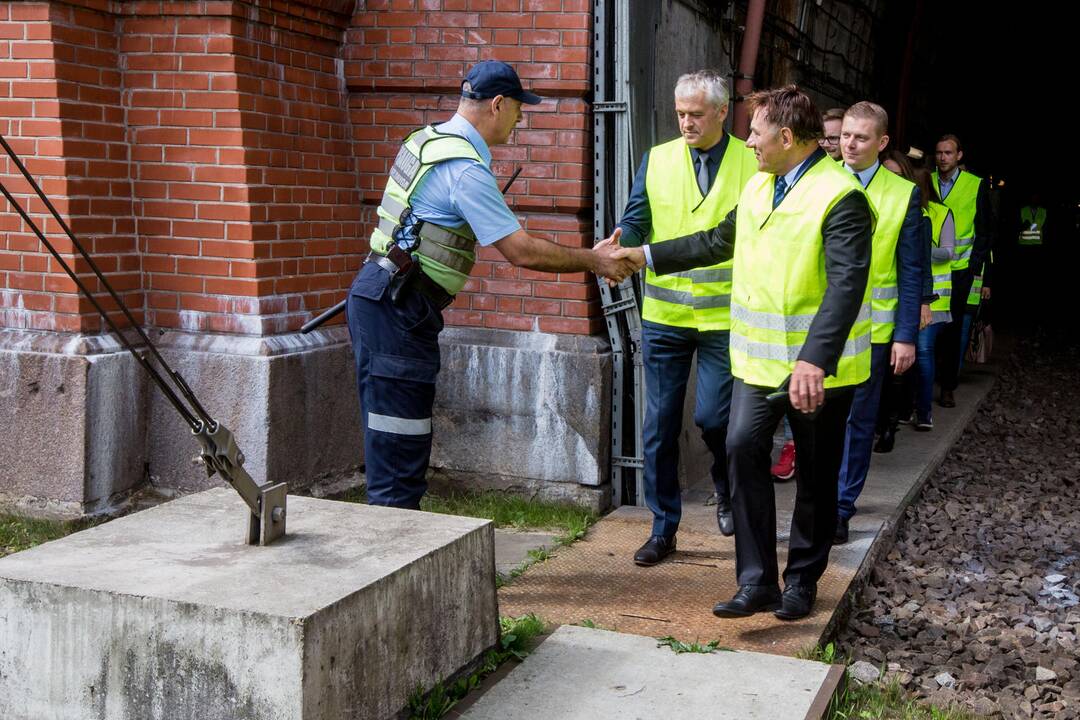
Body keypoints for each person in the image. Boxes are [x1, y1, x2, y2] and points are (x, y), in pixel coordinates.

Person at [612, 85, 874, 621]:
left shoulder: (841, 196)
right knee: (739, 448)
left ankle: (801, 580)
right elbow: (714, 241)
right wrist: (640, 254)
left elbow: (847, 285)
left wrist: (814, 359)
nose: (747, 140)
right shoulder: (759, 186)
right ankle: (756, 582)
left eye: (755, 131)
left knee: (816, 479)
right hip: (759, 363)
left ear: (784, 136)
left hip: (818, 371)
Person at [347, 61, 635, 509]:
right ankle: (393, 559)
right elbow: (521, 250)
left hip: (381, 296)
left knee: (392, 437)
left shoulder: (425, 141)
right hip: (398, 308)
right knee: (399, 451)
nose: (521, 121)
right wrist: (594, 261)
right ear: (497, 104)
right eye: (519, 110)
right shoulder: (465, 170)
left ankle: (394, 541)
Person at [616, 70, 758, 564]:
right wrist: (622, 244)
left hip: (725, 318)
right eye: (680, 113)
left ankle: (723, 486)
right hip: (666, 315)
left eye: (696, 114)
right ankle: (662, 527)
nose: (686, 122)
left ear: (722, 112)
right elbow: (638, 217)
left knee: (715, 420)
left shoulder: (752, 160)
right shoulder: (656, 159)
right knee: (658, 424)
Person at [833, 102, 922, 544]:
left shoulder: (903, 194)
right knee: (819, 420)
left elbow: (911, 270)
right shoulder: (818, 182)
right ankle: (819, 498)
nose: (849, 144)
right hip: (821, 330)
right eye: (846, 135)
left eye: (861, 137)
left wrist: (906, 335)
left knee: (858, 422)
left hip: (873, 333)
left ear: (882, 142)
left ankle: (841, 507)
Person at [932, 134, 993, 407]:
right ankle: (925, 382)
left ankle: (948, 386)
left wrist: (976, 263)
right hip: (930, 267)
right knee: (926, 326)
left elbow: (985, 228)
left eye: (948, 153)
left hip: (959, 268)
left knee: (953, 328)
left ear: (959, 156)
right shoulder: (926, 180)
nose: (942, 157)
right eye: (939, 153)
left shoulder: (975, 184)